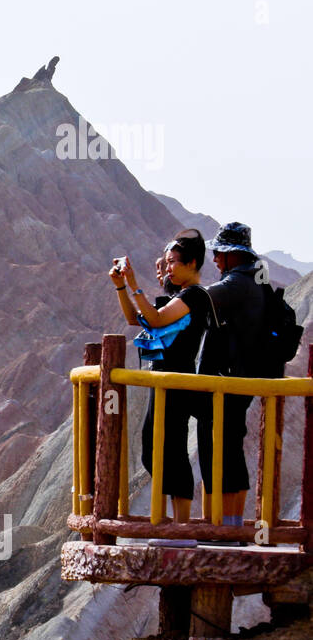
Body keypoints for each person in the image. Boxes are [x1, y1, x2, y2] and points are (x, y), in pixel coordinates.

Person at [109, 230, 209, 522]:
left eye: (173, 263)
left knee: (174, 449)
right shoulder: (179, 296)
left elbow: (155, 319)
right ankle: (170, 521)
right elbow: (136, 319)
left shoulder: (195, 296)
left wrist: (134, 284)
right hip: (163, 380)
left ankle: (181, 525)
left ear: (192, 263)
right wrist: (121, 288)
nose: (167, 269)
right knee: (153, 448)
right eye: (166, 264)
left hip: (178, 379)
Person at [195, 222, 266, 526]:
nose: (215, 259)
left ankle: (221, 525)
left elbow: (198, 300)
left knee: (218, 450)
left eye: (220, 253)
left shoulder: (238, 282)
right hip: (239, 379)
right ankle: (229, 523)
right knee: (229, 449)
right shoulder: (255, 280)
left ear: (234, 255)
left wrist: (181, 284)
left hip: (227, 381)